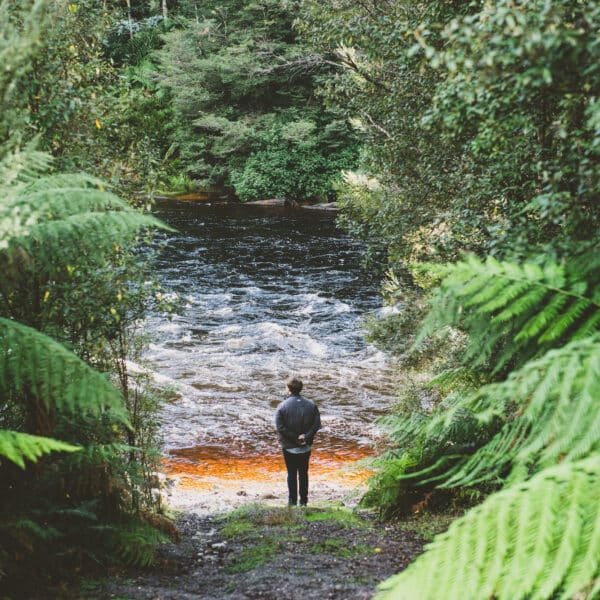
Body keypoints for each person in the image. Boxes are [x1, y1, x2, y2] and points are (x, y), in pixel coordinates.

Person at [275, 377, 321, 507]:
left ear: (288, 390)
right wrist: (305, 437)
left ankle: (292, 502)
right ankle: (304, 502)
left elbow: (280, 427)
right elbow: (316, 424)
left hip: (289, 446)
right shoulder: (311, 405)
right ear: (300, 389)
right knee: (303, 473)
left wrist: (295, 438)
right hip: (305, 446)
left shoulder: (282, 406)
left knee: (291, 473)